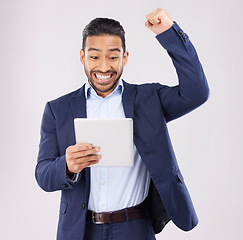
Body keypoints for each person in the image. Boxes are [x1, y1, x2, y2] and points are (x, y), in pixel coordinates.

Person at [35, 7, 209, 240]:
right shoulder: (58, 110)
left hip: (135, 227)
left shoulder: (149, 100)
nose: (104, 67)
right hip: (81, 230)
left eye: (113, 57)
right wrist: (66, 165)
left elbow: (196, 92)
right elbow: (43, 174)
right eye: (94, 56)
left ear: (125, 57)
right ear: (82, 57)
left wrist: (169, 32)